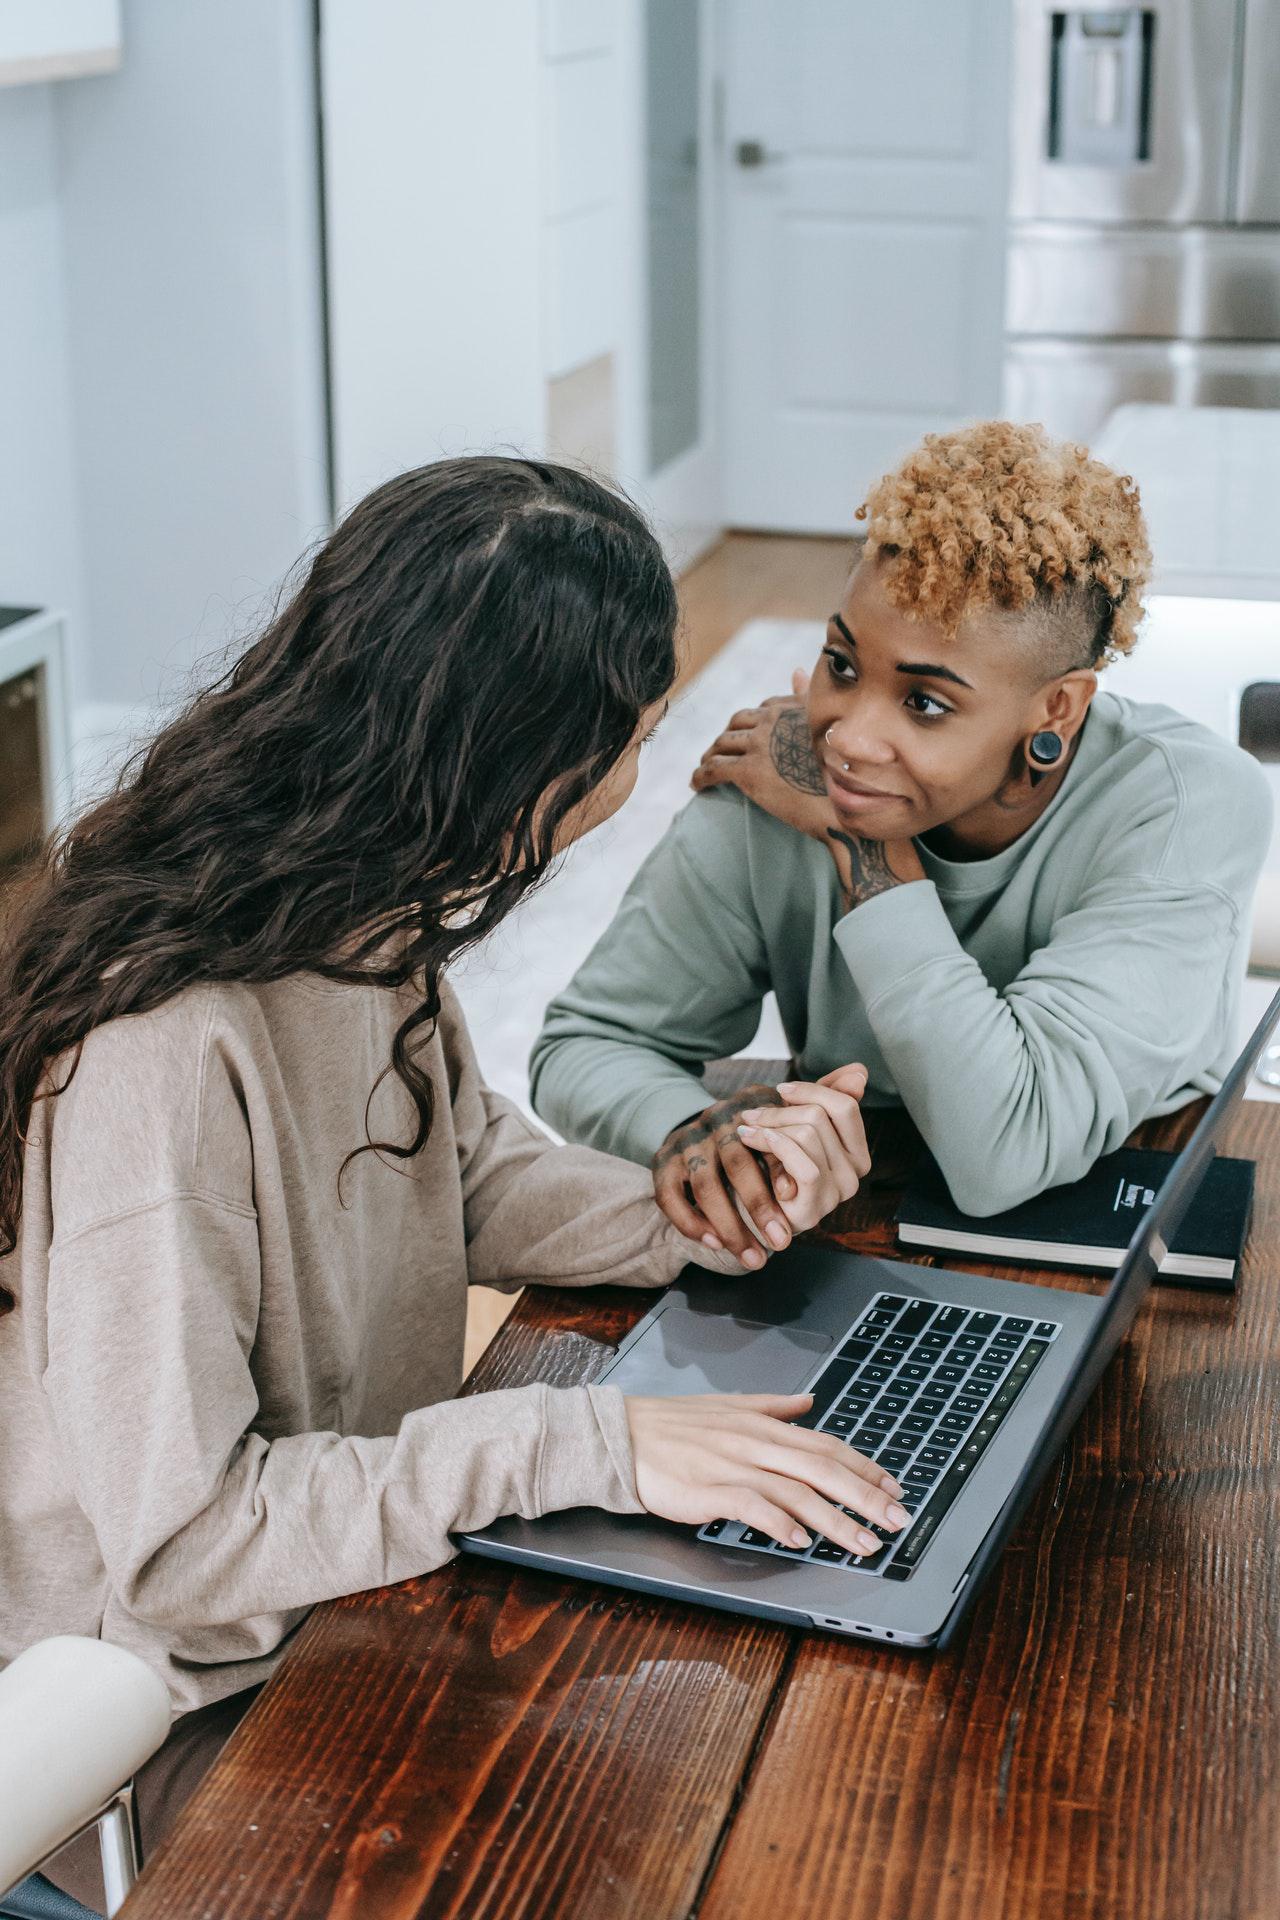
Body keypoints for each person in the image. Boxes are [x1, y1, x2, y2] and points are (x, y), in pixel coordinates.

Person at [0, 459, 902, 1916]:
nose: (651, 751)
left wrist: (704, 1215)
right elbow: (186, 1545)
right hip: (171, 1714)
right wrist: (583, 1444)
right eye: (632, 727)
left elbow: (461, 1170)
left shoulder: (351, 904)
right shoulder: (158, 1052)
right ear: (518, 765)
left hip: (343, 1586)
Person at [531, 421, 1273, 1256]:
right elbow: (588, 1043)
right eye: (842, 666)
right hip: (856, 1216)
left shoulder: (1186, 804)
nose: (846, 738)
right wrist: (695, 1136)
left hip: (1140, 1215)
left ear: (1055, 711)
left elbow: (1007, 1149)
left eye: (924, 703)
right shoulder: (775, 785)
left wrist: (864, 850)